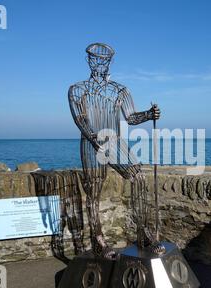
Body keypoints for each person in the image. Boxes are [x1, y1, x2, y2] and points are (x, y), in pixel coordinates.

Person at [68, 43, 165, 259]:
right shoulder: (77, 90)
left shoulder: (120, 90)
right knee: (94, 191)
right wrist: (93, 137)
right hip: (91, 143)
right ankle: (99, 240)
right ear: (89, 60)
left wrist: (149, 114)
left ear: (110, 61)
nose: (100, 63)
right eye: (95, 59)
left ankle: (145, 233)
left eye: (104, 60)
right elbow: (80, 119)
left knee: (138, 178)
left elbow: (130, 118)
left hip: (114, 142)